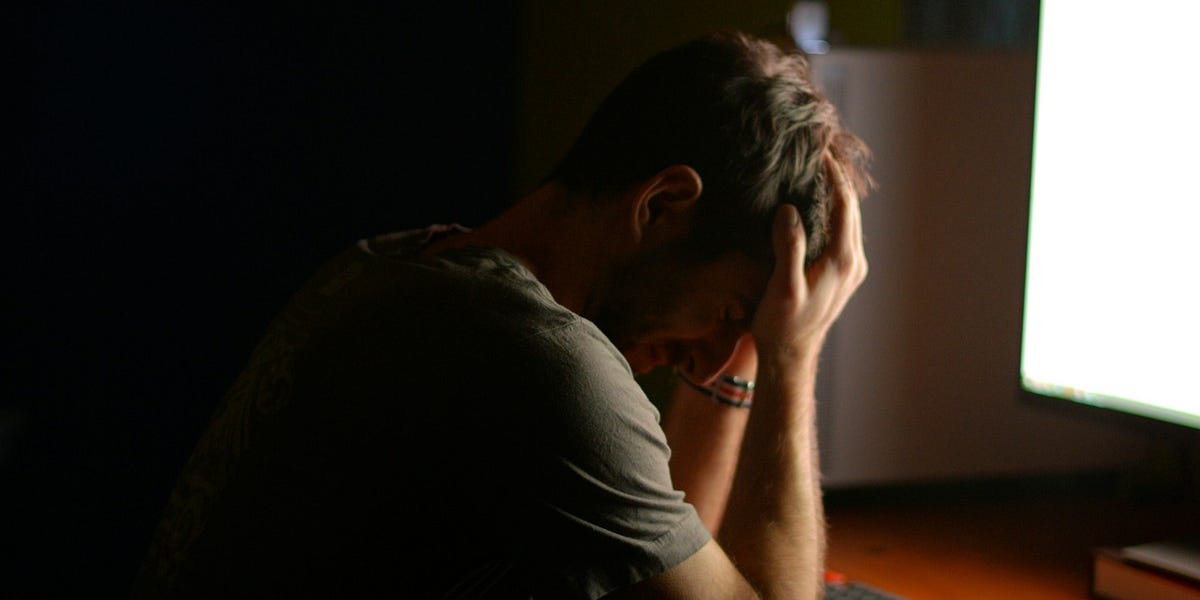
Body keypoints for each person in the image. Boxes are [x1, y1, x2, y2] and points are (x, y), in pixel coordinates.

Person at [132, 29, 872, 599]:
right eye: (730, 313)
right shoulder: (541, 363)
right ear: (661, 206)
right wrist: (791, 357)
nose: (710, 364)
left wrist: (751, 349)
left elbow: (660, 566)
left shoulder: (393, 266)